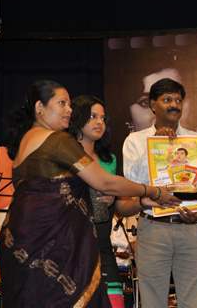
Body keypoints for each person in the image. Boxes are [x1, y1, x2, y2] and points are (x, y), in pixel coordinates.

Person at [0, 80, 179, 307]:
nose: (69, 110)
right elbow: (104, 182)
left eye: (70, 105)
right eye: (61, 103)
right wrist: (152, 191)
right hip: (55, 250)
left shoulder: (25, 141)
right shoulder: (57, 140)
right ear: (39, 108)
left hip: (19, 245)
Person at [123, 77, 197, 308]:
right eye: (167, 99)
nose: (174, 104)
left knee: (196, 302)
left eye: (178, 100)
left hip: (191, 230)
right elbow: (131, 185)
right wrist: (157, 146)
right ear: (153, 105)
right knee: (153, 301)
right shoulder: (135, 141)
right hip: (153, 229)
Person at [68, 95, 125, 307]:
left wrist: (115, 196)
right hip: (70, 250)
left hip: (102, 247)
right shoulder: (63, 157)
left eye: (102, 118)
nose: (99, 122)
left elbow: (123, 204)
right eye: (93, 116)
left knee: (114, 301)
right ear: (77, 118)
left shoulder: (110, 160)